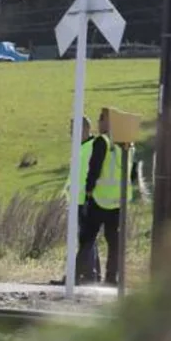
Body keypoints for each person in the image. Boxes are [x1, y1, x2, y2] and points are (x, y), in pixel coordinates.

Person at [76, 109, 134, 287]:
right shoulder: (128, 145)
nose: (98, 123)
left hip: (99, 199)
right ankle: (111, 278)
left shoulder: (103, 142)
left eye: (100, 120)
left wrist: (88, 190)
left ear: (107, 122)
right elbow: (131, 173)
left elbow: (95, 168)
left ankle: (76, 275)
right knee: (114, 242)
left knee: (87, 239)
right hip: (118, 202)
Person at [57, 115, 101, 284]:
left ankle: (83, 275)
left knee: (86, 239)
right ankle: (92, 274)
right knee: (88, 239)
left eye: (73, 129)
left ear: (84, 129)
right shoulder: (81, 148)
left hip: (86, 199)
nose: (70, 133)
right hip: (78, 199)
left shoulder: (92, 147)